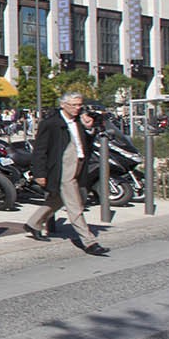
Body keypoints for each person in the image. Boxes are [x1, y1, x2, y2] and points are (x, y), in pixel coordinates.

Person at [24, 91, 105, 255]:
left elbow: (85, 143)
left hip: (79, 165)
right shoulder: (51, 123)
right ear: (63, 105)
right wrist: (39, 173)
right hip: (62, 167)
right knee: (75, 205)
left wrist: (89, 129)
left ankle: (33, 223)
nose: (77, 108)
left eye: (79, 105)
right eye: (74, 105)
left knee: (58, 199)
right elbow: (40, 150)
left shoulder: (79, 121)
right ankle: (89, 242)